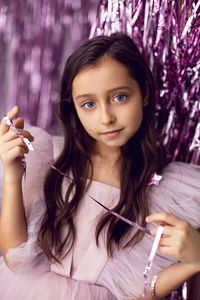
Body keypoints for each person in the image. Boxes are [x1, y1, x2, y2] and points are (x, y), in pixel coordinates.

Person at [0, 32, 199, 300]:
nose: (106, 118)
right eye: (89, 104)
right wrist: (13, 176)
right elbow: (14, 258)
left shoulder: (169, 189)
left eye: (119, 97)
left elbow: (134, 292)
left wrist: (194, 262)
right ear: (75, 108)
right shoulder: (48, 158)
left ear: (145, 92)